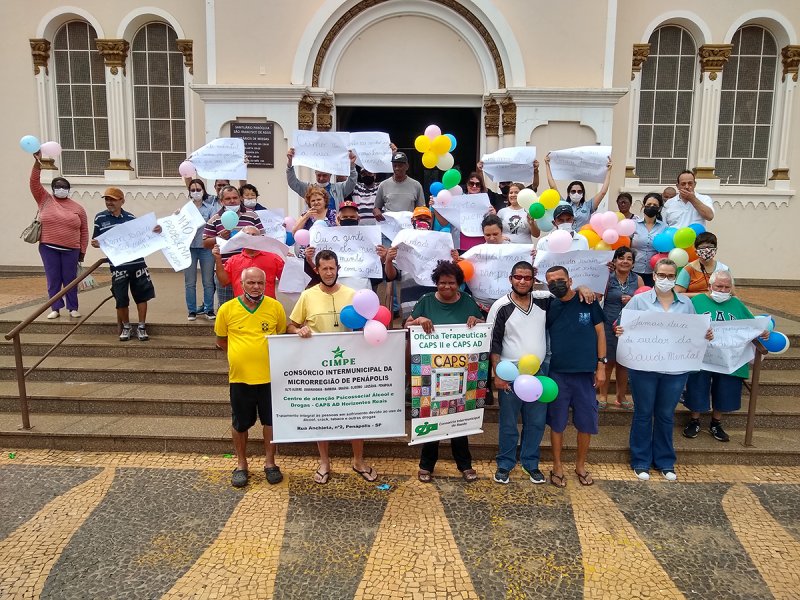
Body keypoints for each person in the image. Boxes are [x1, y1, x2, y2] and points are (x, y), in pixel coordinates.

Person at [617, 258, 713, 481]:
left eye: (671, 276)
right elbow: (621, 324)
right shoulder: (639, 301)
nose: (666, 279)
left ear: (676, 277)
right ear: (654, 275)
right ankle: (640, 460)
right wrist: (620, 330)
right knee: (643, 413)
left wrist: (705, 334)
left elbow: (695, 330)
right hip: (643, 367)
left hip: (675, 370)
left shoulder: (686, 304)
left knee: (666, 415)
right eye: (662, 275)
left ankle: (665, 461)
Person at [287, 250, 378, 484]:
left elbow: (370, 324)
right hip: (319, 367)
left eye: (332, 268)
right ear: (316, 270)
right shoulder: (307, 296)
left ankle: (358, 461)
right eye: (324, 268)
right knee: (321, 414)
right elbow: (291, 325)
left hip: (350, 368)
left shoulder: (353, 295)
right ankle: (324, 462)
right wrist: (299, 330)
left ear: (338, 268)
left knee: (356, 413)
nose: (329, 272)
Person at [405, 260, 484, 483]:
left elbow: (481, 326)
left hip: (461, 371)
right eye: (442, 283)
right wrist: (419, 319)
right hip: (431, 372)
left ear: (459, 284)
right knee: (432, 417)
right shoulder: (426, 301)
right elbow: (407, 325)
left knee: (460, 418)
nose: (446, 287)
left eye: (451, 283)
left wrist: (476, 320)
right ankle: (426, 465)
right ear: (436, 283)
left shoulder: (468, 301)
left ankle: (465, 465)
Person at [215, 267, 286, 488]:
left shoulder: (275, 307)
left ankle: (270, 463)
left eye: (260, 283)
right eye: (251, 283)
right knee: (240, 423)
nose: (256, 287)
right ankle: (241, 464)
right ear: (241, 283)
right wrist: (241, 356)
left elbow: (281, 335)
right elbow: (221, 341)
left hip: (269, 378)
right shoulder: (227, 309)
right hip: (240, 379)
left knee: (271, 422)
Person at [684, 271, 767, 442]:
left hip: (729, 357)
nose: (722, 290)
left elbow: (750, 324)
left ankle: (716, 422)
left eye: (726, 287)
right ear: (710, 286)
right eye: (719, 286)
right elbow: (685, 324)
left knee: (726, 387)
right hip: (702, 355)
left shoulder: (736, 304)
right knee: (697, 385)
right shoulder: (697, 301)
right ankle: (694, 420)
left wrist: (761, 331)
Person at [488, 261, 551, 485]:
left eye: (527, 278)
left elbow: (568, 296)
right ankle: (504, 463)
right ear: (510, 278)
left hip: (539, 370)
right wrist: (497, 373)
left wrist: (582, 288)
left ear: (534, 279)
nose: (522, 281)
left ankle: (530, 463)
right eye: (518, 277)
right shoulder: (500, 306)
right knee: (508, 422)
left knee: (536, 421)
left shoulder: (544, 301)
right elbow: (493, 343)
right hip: (509, 371)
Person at [544, 266, 606, 488]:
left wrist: (601, 365)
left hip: (585, 374)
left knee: (586, 424)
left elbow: (600, 333)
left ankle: (580, 465)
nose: (556, 284)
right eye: (551, 282)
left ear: (570, 280)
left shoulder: (587, 301)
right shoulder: (548, 305)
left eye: (560, 280)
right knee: (557, 424)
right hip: (557, 374)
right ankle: (557, 465)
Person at [91, 187, 158, 342]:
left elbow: (143, 236)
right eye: (107, 199)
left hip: (137, 263)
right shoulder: (99, 218)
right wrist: (96, 243)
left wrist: (155, 230)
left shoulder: (131, 218)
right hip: (118, 265)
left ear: (122, 201)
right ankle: (126, 327)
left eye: (113, 199)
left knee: (142, 296)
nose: (109, 202)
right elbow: (97, 240)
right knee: (120, 297)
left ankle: (141, 326)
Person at [30, 151, 88, 319]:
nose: (61, 189)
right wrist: (37, 164)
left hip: (72, 249)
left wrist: (82, 251)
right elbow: (34, 183)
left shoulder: (78, 208)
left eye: (65, 187)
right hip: (48, 247)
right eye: (58, 186)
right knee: (53, 278)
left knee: (70, 279)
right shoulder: (45, 199)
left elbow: (84, 230)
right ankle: (55, 307)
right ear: (53, 188)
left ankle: (73, 307)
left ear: (69, 190)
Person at [302, 200, 388, 291]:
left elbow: (375, 268)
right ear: (338, 219)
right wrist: (309, 259)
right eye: (345, 217)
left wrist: (382, 258)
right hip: (336, 289)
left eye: (352, 217)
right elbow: (320, 270)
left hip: (362, 289)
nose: (348, 219)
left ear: (358, 219)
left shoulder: (370, 239)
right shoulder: (327, 239)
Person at [202, 185, 264, 309]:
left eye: (235, 198)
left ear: (240, 198)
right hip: (225, 270)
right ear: (221, 201)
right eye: (228, 199)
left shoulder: (252, 216)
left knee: (250, 307)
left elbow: (262, 237)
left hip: (249, 270)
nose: (232, 201)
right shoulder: (215, 219)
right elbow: (205, 243)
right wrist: (219, 237)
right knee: (227, 308)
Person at [599, 247, 643, 410]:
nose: (625, 261)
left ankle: (621, 397)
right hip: (608, 322)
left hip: (629, 326)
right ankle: (603, 396)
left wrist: (632, 300)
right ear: (615, 261)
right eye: (621, 258)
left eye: (629, 259)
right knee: (608, 361)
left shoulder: (637, 279)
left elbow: (644, 301)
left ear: (633, 263)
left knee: (624, 364)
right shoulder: (607, 278)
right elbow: (598, 297)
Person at [384, 207, 441, 319]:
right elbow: (392, 275)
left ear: (431, 221)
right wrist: (389, 260)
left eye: (427, 218)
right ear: (412, 221)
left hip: (435, 300)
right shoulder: (401, 241)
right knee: (411, 333)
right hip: (410, 302)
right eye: (419, 218)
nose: (423, 221)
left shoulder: (440, 241)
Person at [213, 226, 284, 299]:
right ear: (242, 239)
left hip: (267, 306)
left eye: (254, 235)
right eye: (247, 235)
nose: (250, 237)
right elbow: (224, 281)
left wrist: (290, 262)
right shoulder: (233, 260)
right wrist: (218, 259)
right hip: (242, 307)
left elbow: (287, 280)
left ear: (259, 238)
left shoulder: (273, 258)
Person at [544, 153, 612, 229]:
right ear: (569, 193)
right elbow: (553, 187)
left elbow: (603, 192)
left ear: (583, 194)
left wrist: (609, 171)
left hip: (582, 238)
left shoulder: (588, 206)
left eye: (579, 191)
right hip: (565, 238)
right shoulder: (563, 205)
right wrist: (547, 165)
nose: (576, 193)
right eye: (573, 191)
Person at [286, 147, 357, 213]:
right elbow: (293, 182)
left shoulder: (339, 188)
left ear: (330, 175)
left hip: (334, 224)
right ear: (315, 174)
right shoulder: (309, 188)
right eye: (319, 175)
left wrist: (352, 165)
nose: (321, 178)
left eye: (324, 175)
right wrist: (290, 164)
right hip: (314, 224)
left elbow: (352, 181)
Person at [185, 179, 217, 320]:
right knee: (190, 282)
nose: (196, 192)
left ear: (203, 191)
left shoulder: (210, 209)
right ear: (189, 192)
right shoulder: (185, 209)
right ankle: (192, 310)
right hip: (189, 249)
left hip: (206, 248)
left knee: (208, 281)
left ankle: (208, 309)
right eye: (193, 190)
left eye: (198, 189)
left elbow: (213, 228)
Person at [373, 152, 425, 220]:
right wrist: (377, 212)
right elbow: (376, 208)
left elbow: (422, 210)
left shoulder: (416, 185)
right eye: (395, 166)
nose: (397, 168)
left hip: (408, 226)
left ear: (407, 166)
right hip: (389, 226)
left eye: (400, 165)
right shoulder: (383, 185)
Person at [675, 232, 729, 297]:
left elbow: (732, 294)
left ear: (716, 249)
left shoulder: (723, 268)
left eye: (710, 247)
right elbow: (678, 294)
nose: (707, 250)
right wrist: (704, 295)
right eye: (703, 247)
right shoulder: (688, 269)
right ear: (696, 250)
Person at [630, 192, 666, 287]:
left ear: (659, 209)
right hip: (633, 270)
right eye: (649, 204)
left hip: (654, 272)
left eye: (655, 205)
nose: (651, 207)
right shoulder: (633, 225)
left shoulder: (664, 227)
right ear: (643, 206)